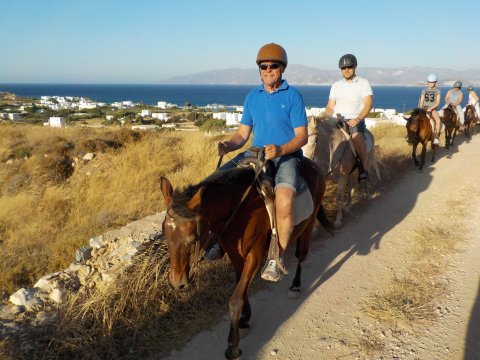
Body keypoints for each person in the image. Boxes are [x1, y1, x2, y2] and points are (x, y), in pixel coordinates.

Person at [205, 43, 308, 282]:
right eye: (264, 66)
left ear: (282, 69)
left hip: (286, 155)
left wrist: (281, 148)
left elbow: (302, 136)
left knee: (283, 198)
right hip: (256, 152)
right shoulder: (252, 97)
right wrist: (229, 145)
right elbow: (242, 135)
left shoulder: (293, 95)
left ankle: (276, 257)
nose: (268, 70)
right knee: (216, 183)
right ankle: (219, 239)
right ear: (259, 69)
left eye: (273, 66)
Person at [325, 54, 373, 182]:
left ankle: (364, 168)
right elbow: (330, 106)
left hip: (355, 119)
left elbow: (368, 104)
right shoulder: (336, 85)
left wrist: (357, 119)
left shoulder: (364, 83)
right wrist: (325, 117)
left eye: (349, 67)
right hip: (338, 120)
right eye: (343, 68)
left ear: (355, 67)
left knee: (356, 137)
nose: (346, 70)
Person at [419, 74, 442, 145]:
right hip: (424, 108)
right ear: (428, 82)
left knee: (438, 120)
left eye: (433, 82)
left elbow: (437, 102)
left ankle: (436, 136)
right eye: (430, 82)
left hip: (432, 109)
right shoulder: (424, 91)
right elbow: (421, 101)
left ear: (435, 82)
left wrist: (431, 108)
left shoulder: (438, 91)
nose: (431, 83)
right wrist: (421, 108)